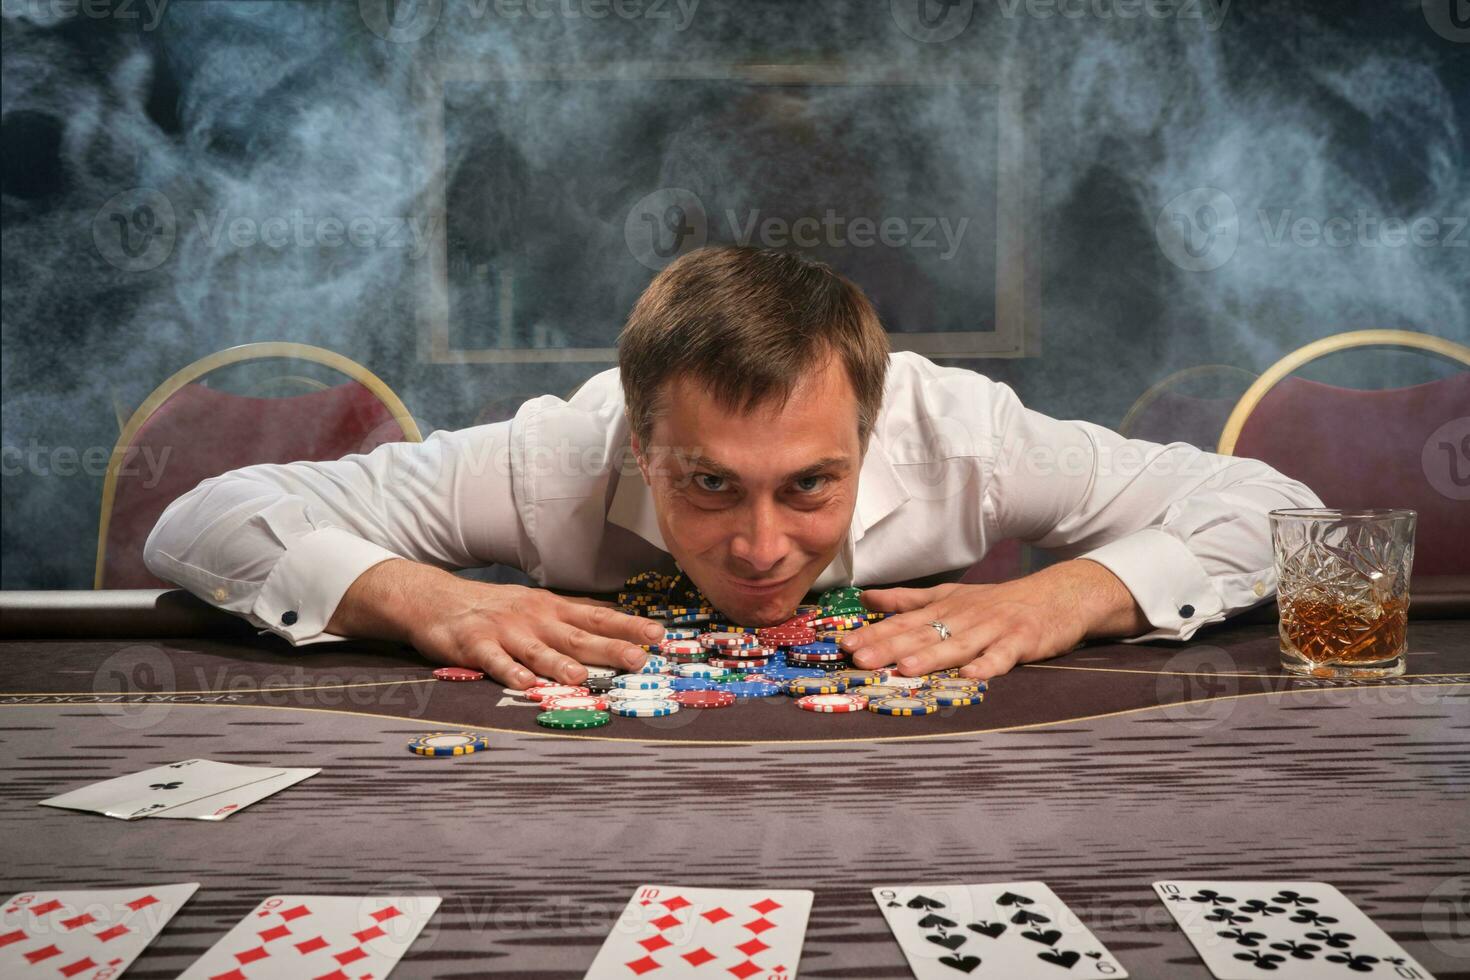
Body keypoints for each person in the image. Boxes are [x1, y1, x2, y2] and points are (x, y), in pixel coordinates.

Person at [145, 245, 1321, 689]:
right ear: (640, 443)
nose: (762, 548)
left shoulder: (968, 434)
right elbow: (208, 515)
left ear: (872, 432)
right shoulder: (555, 454)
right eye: (709, 483)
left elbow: (1278, 509)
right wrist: (423, 594)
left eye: (810, 482)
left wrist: (1065, 590)